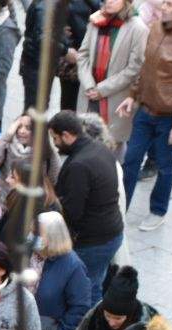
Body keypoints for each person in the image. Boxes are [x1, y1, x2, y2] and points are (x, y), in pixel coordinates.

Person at [119, 0, 172, 232]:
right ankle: (121, 208)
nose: (164, 7)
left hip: (169, 116)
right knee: (131, 161)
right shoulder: (156, 27)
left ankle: (158, 210)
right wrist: (133, 95)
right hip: (145, 110)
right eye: (164, 2)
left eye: (170, 3)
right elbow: (145, 66)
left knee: (165, 168)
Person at [47, 113, 125, 306]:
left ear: (66, 135)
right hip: (110, 234)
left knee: (85, 289)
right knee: (94, 284)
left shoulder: (79, 166)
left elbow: (72, 212)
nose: (55, 144)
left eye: (55, 138)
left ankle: (86, 329)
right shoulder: (100, 148)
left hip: (93, 242)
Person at [33, 212, 92, 330]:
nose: (32, 236)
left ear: (53, 237)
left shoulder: (74, 267)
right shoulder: (30, 255)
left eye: (38, 233)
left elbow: (80, 307)